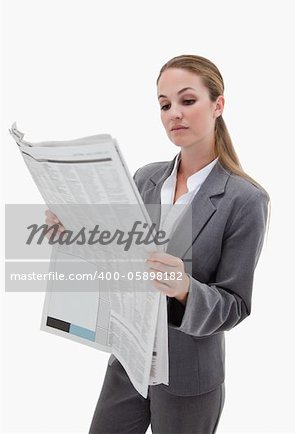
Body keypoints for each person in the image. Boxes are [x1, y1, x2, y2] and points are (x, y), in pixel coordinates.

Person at [45, 54, 270, 434]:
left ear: (218, 105)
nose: (173, 114)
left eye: (187, 101)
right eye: (164, 105)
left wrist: (185, 290)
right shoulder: (146, 179)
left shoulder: (245, 200)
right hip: (129, 362)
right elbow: (119, 257)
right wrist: (74, 236)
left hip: (189, 377)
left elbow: (235, 305)